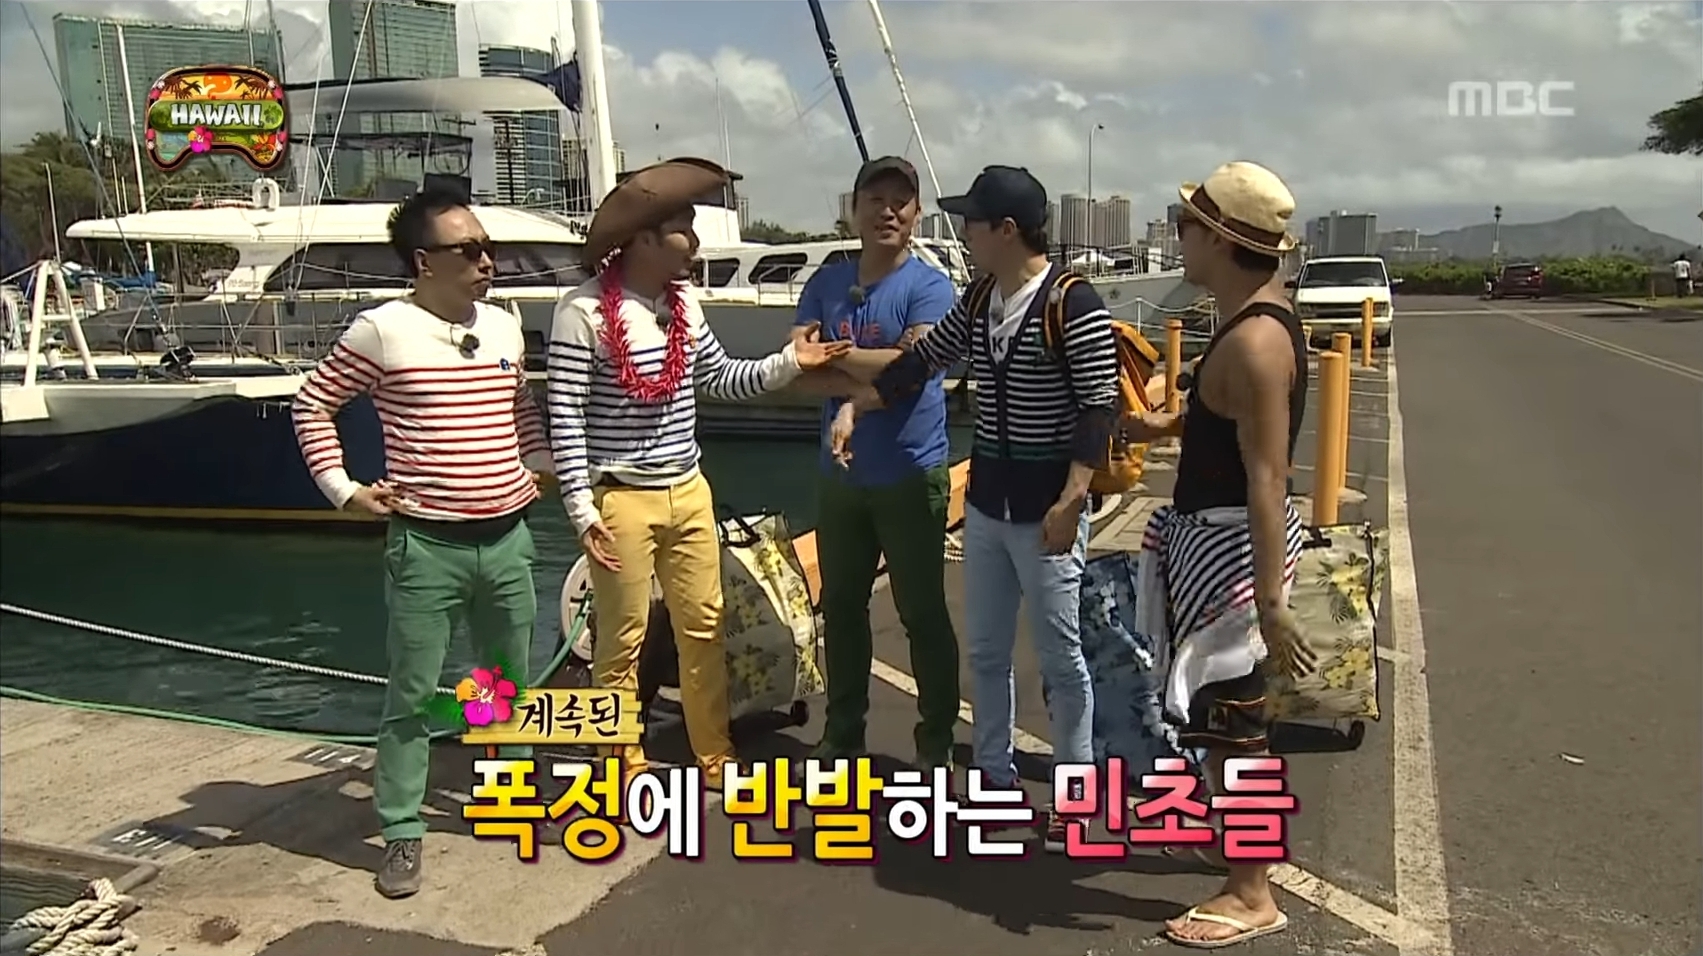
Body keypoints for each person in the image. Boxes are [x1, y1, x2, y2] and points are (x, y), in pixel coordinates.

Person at [546, 158, 850, 791]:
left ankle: (714, 752)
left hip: (688, 489)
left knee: (705, 628)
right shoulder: (582, 312)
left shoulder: (684, 303)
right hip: (621, 499)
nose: (695, 241)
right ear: (646, 238)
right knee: (622, 638)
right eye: (684, 228)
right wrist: (581, 509)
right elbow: (566, 417)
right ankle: (620, 757)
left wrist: (790, 363)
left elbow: (720, 378)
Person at [839, 165, 1119, 852]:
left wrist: (1072, 500)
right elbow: (920, 363)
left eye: (971, 221)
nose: (963, 232)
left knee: (1061, 659)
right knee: (988, 653)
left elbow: (1098, 409)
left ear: (1006, 230)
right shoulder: (981, 298)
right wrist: (857, 405)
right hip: (989, 504)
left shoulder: (1072, 304)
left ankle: (1075, 794)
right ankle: (994, 781)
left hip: (1047, 507)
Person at [291, 187, 553, 900]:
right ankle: (402, 828)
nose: (486, 262)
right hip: (427, 546)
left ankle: (506, 799)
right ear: (423, 261)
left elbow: (520, 408)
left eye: (488, 249)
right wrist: (343, 489)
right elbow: (312, 404)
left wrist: (538, 462)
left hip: (508, 539)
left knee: (505, 682)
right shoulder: (380, 331)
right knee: (412, 694)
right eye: (468, 250)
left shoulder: (503, 328)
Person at [1122, 161, 1317, 948]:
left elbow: (1266, 476)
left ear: (1219, 240)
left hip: (1234, 553)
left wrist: (1269, 604)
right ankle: (1236, 852)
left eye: (1185, 228)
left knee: (1236, 724)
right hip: (1217, 543)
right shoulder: (1253, 319)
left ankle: (1251, 891)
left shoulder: (1257, 340)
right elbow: (1229, 427)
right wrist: (1166, 426)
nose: (1178, 240)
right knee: (1215, 718)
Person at [789, 156, 960, 770]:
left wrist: (836, 360)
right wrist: (877, 363)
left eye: (900, 201)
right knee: (840, 607)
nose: (887, 211)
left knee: (921, 612)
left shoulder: (930, 287)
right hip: (840, 477)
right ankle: (843, 731)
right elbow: (799, 366)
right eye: (875, 199)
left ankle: (935, 738)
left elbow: (914, 369)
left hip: (911, 472)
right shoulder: (827, 281)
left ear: (916, 213)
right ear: (853, 208)